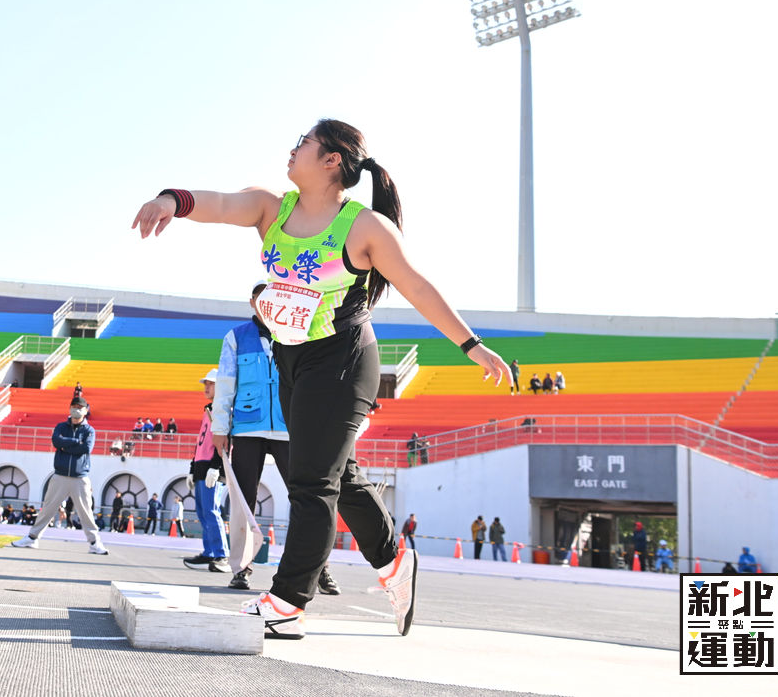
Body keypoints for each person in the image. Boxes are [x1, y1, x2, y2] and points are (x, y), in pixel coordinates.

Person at [132, 118, 509, 639]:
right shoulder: (271, 208)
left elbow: (417, 286)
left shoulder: (364, 227)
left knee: (310, 481)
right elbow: (217, 203)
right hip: (292, 359)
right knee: (339, 475)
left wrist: (471, 345)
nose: (292, 150)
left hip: (344, 360)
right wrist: (171, 201)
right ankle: (393, 560)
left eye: (303, 144)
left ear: (332, 160)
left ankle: (288, 602)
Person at [211, 282, 339, 594]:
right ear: (252, 302)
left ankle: (318, 568)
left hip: (290, 428)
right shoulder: (236, 337)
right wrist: (219, 427)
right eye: (259, 299)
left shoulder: (298, 332)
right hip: (246, 428)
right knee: (243, 501)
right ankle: (241, 568)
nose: (264, 304)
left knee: (308, 497)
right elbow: (226, 382)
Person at [11, 398, 108, 554]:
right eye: (74, 406)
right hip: (60, 475)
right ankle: (32, 537)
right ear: (69, 408)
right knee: (47, 508)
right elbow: (56, 441)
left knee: (86, 512)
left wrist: (65, 446)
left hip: (80, 477)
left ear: (85, 410)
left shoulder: (89, 430)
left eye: (80, 407)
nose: (76, 409)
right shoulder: (61, 426)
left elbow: (86, 448)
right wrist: (76, 442)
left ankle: (95, 543)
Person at [183, 369, 229, 573]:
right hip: (202, 467)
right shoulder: (208, 409)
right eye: (205, 384)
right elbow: (201, 442)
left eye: (211, 383)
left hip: (212, 468)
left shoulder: (223, 409)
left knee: (212, 510)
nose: (206, 387)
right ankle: (210, 552)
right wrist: (192, 468)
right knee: (203, 512)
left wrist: (216, 466)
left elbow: (225, 440)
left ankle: (221, 555)